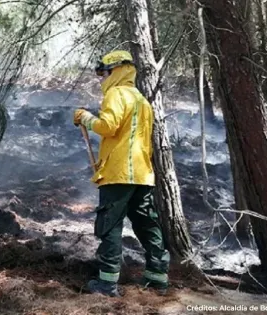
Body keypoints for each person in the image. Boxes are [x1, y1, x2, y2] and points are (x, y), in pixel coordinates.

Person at [73, 50, 170, 297]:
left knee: (110, 226)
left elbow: (107, 126)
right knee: (147, 225)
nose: (100, 79)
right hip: (142, 175)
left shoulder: (116, 94)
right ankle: (157, 278)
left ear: (115, 70)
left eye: (102, 73)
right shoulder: (141, 99)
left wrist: (85, 118)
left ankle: (107, 283)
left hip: (118, 174)